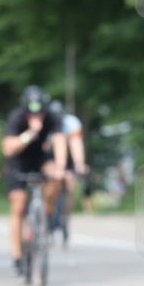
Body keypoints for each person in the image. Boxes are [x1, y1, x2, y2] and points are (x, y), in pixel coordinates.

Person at [2, 86, 67, 275]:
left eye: (40, 113)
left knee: (55, 176)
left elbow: (60, 142)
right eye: (32, 113)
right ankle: (17, 255)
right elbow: (8, 149)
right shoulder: (17, 117)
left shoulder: (53, 117)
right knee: (19, 205)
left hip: (41, 158)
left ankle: (45, 216)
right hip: (19, 161)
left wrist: (61, 168)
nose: (37, 116)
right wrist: (30, 133)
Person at [47, 101, 87, 247]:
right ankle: (48, 217)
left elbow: (77, 144)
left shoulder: (71, 122)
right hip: (49, 156)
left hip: (68, 157)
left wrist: (79, 164)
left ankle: (65, 216)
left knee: (70, 184)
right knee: (53, 181)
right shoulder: (46, 122)